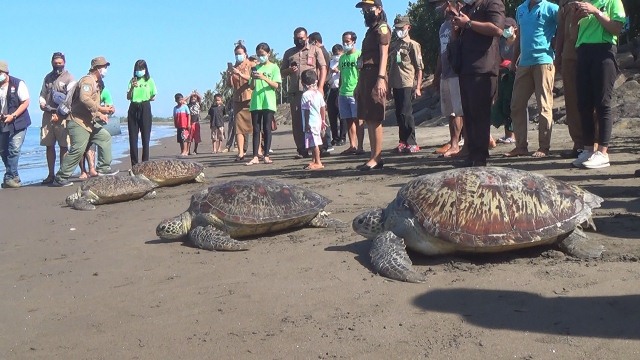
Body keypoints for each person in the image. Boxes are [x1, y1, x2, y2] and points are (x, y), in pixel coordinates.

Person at [570, 0, 626, 169]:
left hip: (604, 51)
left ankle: (603, 151)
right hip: (583, 52)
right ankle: (588, 149)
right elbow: (573, 36)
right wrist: (574, 21)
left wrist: (596, 12)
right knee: (584, 103)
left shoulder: (612, 2)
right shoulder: (583, 4)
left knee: (603, 102)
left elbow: (616, 28)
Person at [451, 0, 505, 167]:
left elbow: (497, 29)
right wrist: (457, 29)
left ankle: (480, 157)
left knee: (480, 115)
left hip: (483, 68)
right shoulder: (468, 7)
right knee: (469, 115)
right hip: (466, 68)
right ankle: (472, 155)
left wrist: (468, 23)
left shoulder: (493, 3)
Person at [504, 0, 559, 158]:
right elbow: (519, 37)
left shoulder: (552, 8)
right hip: (524, 62)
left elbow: (561, 32)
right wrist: (514, 61)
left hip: (544, 60)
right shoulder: (521, 9)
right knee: (516, 104)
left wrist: (558, 54)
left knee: (544, 105)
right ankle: (520, 146)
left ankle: (544, 146)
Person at [52, 57, 116, 187]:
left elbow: (89, 107)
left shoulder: (97, 83)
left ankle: (103, 168)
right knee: (78, 150)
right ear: (97, 68)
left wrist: (101, 113)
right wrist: (101, 108)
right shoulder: (87, 80)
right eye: (104, 67)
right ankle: (61, 177)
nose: (105, 70)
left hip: (89, 121)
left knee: (104, 137)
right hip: (78, 122)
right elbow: (84, 99)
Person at [354, 0, 391, 171]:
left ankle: (377, 157)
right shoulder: (371, 30)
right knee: (368, 117)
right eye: (364, 10)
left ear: (379, 9)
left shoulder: (382, 28)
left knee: (375, 117)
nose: (367, 12)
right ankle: (373, 156)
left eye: (370, 8)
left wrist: (381, 78)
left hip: (376, 73)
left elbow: (384, 54)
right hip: (365, 74)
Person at [281, 27, 327, 159]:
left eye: (301, 38)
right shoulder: (289, 53)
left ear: (306, 37)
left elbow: (323, 68)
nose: (298, 40)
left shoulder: (315, 50)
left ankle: (319, 148)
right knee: (297, 122)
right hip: (296, 92)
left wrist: (321, 87)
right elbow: (282, 72)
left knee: (317, 119)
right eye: (296, 38)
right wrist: (289, 70)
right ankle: (302, 149)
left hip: (312, 91)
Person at [556, 0, 589, 159]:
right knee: (571, 100)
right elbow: (561, 31)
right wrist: (557, 56)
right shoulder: (564, 4)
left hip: (590, 51)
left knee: (591, 100)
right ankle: (579, 143)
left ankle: (593, 142)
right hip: (569, 54)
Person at [432, 0, 464, 158]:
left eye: (440, 3)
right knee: (450, 112)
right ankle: (454, 143)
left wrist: (456, 16)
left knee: (459, 111)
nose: (438, 7)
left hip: (458, 72)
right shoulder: (442, 26)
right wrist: (437, 75)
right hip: (446, 72)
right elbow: (441, 51)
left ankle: (457, 144)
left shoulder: (461, 20)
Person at [389, 15, 424, 154]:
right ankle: (402, 141)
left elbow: (419, 67)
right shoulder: (394, 44)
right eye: (396, 28)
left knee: (406, 113)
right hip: (395, 83)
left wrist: (418, 87)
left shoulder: (412, 45)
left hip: (407, 82)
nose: (399, 30)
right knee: (399, 113)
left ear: (408, 27)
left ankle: (412, 142)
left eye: (401, 27)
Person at [38, 52, 74, 185]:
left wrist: (59, 114)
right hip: (47, 115)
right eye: (55, 63)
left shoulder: (69, 78)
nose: (57, 65)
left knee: (64, 146)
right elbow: (42, 93)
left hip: (62, 117)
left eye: (60, 63)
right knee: (49, 145)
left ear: (64, 63)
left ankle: (62, 174)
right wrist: (41, 102)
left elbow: (70, 100)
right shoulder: (47, 78)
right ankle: (50, 174)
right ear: (52, 63)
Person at [246, 42, 281, 166]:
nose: (261, 57)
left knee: (267, 129)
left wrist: (264, 78)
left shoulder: (274, 67)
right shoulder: (255, 67)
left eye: (263, 54)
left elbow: (276, 85)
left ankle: (266, 155)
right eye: (258, 55)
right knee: (256, 129)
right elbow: (250, 86)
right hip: (256, 101)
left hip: (268, 101)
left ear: (268, 54)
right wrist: (253, 78)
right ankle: (255, 155)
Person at [0, 60, 31, 188]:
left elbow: (25, 102)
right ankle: (15, 176)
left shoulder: (18, 83)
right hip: (3, 123)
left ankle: (8, 178)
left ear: (6, 72)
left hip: (18, 122)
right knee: (3, 151)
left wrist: (13, 116)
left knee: (14, 149)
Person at [79, 78, 115, 179]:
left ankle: (97, 169)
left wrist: (109, 110)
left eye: (99, 89)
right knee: (81, 147)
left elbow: (110, 106)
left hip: (96, 121)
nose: (98, 91)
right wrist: (100, 112)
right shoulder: (86, 92)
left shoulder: (104, 92)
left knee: (100, 140)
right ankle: (82, 171)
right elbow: (86, 106)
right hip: (83, 121)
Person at [491, 17, 518, 144]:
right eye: (504, 27)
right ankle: (508, 134)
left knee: (513, 104)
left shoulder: (519, 42)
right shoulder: (501, 42)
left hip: (515, 75)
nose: (505, 30)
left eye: (507, 27)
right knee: (503, 104)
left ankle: (515, 135)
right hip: (502, 76)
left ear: (515, 28)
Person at [338, 31, 365, 156]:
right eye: (343, 41)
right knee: (348, 120)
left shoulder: (359, 55)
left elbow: (362, 75)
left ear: (353, 41)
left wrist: (359, 89)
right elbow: (341, 76)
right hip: (343, 93)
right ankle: (352, 145)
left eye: (347, 41)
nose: (345, 44)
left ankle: (360, 146)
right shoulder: (342, 58)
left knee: (358, 119)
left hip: (355, 92)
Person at [126, 59, 157, 166]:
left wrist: (147, 98)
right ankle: (134, 164)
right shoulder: (132, 81)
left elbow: (154, 95)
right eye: (137, 69)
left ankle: (145, 163)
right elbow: (128, 97)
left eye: (141, 69)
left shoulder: (149, 80)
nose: (139, 71)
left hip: (145, 106)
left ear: (145, 69)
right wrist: (132, 89)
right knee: (133, 138)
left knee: (145, 137)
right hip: (133, 106)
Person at [309, 31, 334, 153]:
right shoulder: (325, 51)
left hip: (322, 86)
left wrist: (320, 86)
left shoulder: (321, 52)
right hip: (324, 85)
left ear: (315, 41)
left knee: (322, 115)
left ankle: (326, 143)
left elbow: (321, 69)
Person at [227, 44, 253, 160]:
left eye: (240, 53)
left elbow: (254, 78)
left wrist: (240, 74)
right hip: (237, 99)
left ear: (245, 54)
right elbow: (229, 85)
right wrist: (229, 75)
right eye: (236, 54)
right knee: (239, 127)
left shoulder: (251, 64)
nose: (238, 56)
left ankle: (258, 151)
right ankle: (241, 152)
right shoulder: (234, 67)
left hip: (250, 97)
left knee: (255, 126)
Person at [301, 70, 326, 170]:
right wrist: (323, 120)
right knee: (313, 141)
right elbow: (323, 107)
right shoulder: (318, 94)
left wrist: (306, 124)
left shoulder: (305, 95)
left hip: (310, 122)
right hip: (317, 121)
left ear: (302, 83)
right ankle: (314, 160)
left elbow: (306, 110)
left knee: (314, 143)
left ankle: (318, 162)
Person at [327, 44, 346, 147]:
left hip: (341, 88)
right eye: (335, 54)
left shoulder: (344, 60)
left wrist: (338, 70)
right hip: (331, 89)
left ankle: (342, 137)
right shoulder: (330, 62)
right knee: (332, 114)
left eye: (338, 53)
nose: (336, 56)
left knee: (341, 114)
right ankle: (335, 137)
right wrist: (330, 72)